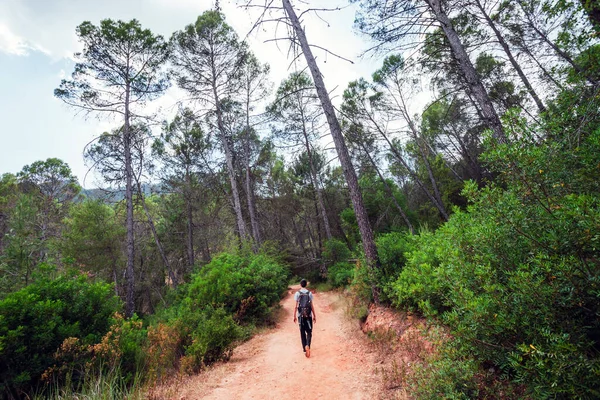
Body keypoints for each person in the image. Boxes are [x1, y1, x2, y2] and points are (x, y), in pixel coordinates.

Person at [293, 279, 316, 357]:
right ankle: (308, 345)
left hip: (301, 316)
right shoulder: (309, 293)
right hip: (308, 316)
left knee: (302, 332)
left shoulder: (297, 293)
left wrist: (294, 316)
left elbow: (296, 306)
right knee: (309, 332)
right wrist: (314, 315)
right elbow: (311, 305)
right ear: (306, 284)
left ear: (300, 284)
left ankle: (304, 348)